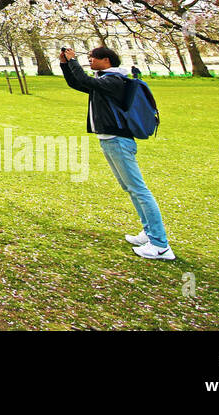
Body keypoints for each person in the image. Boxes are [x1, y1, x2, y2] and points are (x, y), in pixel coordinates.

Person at [61, 46, 174, 260]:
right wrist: (65, 64)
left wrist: (73, 61)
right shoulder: (104, 81)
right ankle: (149, 233)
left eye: (93, 58)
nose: (90, 61)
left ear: (106, 60)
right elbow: (77, 83)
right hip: (110, 140)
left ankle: (160, 245)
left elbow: (86, 81)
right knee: (130, 188)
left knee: (138, 189)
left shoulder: (114, 81)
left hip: (118, 140)